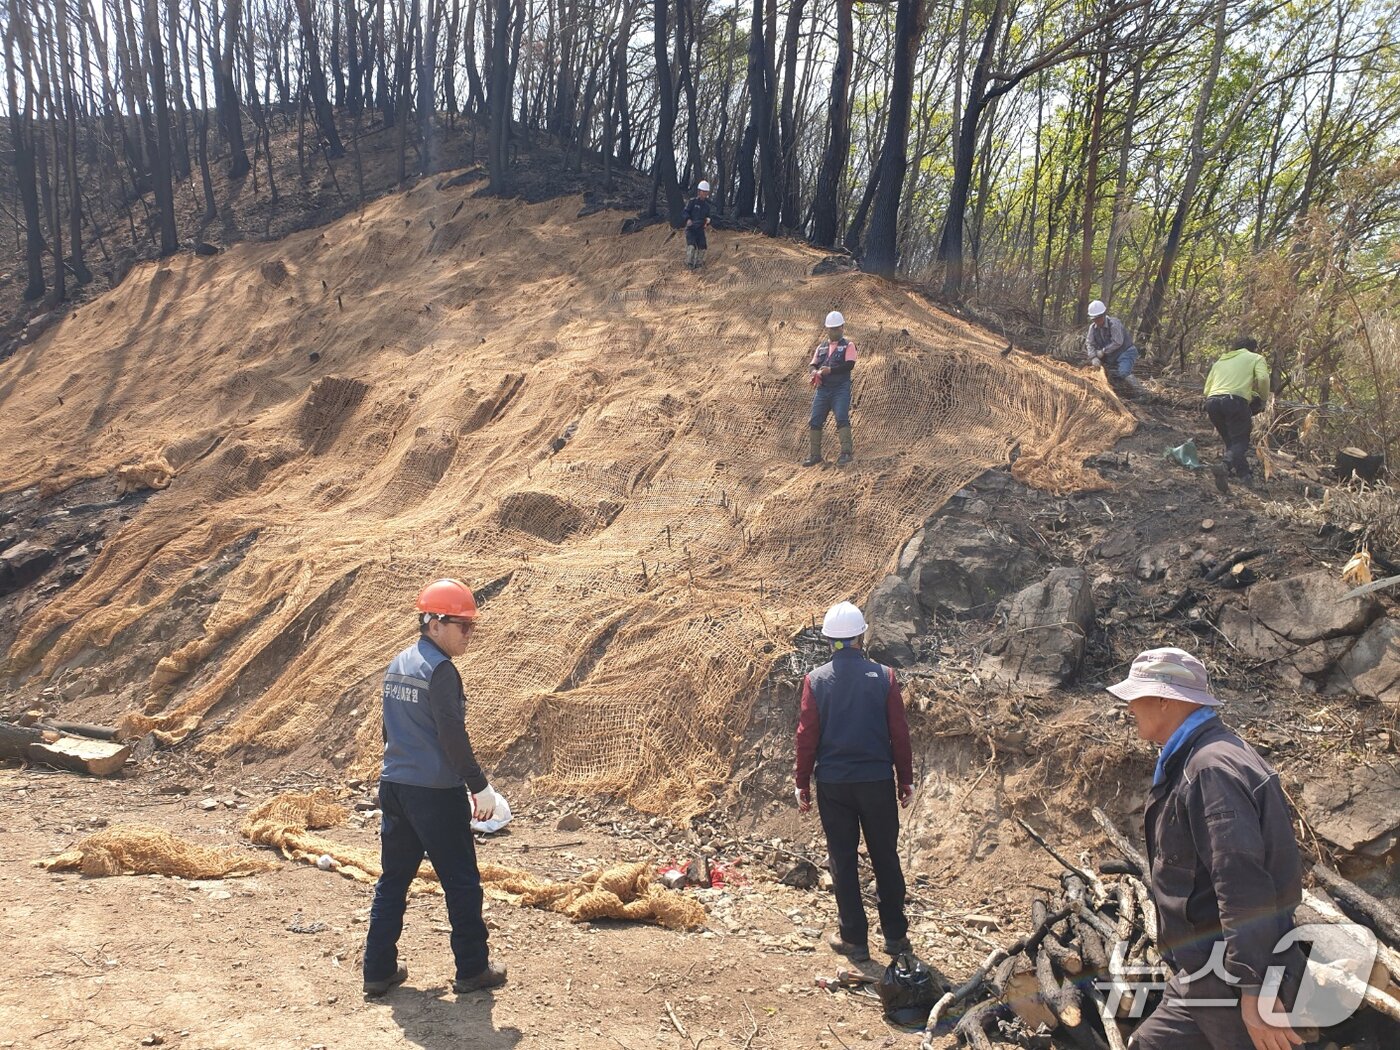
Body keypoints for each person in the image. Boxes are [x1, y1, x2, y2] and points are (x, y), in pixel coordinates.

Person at [1108, 647, 1306, 1050]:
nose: (1129, 708)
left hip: (1232, 978)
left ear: (1165, 699)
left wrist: (1254, 990)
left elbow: (1242, 883)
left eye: (1136, 696)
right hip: (1205, 972)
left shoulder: (1210, 768)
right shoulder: (1200, 757)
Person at [362, 578, 508, 997]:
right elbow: (452, 735)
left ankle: (377, 970)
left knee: (393, 880)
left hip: (395, 786)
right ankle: (473, 969)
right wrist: (479, 787)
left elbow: (388, 729)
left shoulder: (399, 663)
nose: (469, 634)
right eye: (463, 626)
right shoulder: (441, 671)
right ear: (435, 623)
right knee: (461, 881)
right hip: (435, 794)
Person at [795, 601, 915, 964]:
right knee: (885, 857)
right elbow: (900, 735)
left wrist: (802, 781)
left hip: (834, 785)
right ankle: (895, 937)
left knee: (843, 861)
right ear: (861, 636)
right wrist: (904, 779)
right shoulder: (884, 677)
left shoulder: (816, 680)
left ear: (829, 640)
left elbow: (806, 735)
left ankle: (855, 941)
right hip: (877, 782)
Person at [1204, 335, 1270, 486]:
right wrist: (1262, 398)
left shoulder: (1221, 360)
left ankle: (1245, 475)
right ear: (1253, 348)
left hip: (1212, 402)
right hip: (1235, 402)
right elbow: (1263, 379)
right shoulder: (1256, 358)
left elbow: (1207, 389)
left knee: (1232, 442)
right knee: (1241, 441)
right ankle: (1225, 465)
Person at [803, 310, 857, 467]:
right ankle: (815, 455)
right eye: (831, 329)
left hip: (840, 387)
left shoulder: (849, 345)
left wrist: (830, 371)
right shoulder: (821, 347)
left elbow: (849, 365)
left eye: (836, 328)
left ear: (842, 328)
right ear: (827, 329)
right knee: (815, 420)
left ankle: (846, 452)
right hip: (823, 389)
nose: (833, 332)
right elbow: (812, 364)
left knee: (841, 416)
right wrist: (814, 372)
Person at [1085, 300, 1141, 388]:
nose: (1097, 321)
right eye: (1094, 319)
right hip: (1110, 356)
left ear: (1104, 314)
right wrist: (1093, 357)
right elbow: (1089, 343)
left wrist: (1103, 351)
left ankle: (1141, 393)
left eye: (1099, 318)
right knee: (1090, 367)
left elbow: (1118, 342)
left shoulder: (1114, 324)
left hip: (1125, 352)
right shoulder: (1092, 328)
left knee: (1123, 373)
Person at [683, 181, 712, 269]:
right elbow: (685, 212)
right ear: (699, 191)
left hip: (700, 229)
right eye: (702, 191)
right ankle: (689, 264)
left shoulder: (707, 206)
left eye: (706, 192)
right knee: (691, 246)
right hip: (691, 228)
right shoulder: (692, 202)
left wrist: (708, 220)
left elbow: (708, 217)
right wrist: (688, 219)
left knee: (702, 246)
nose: (704, 194)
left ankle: (699, 264)